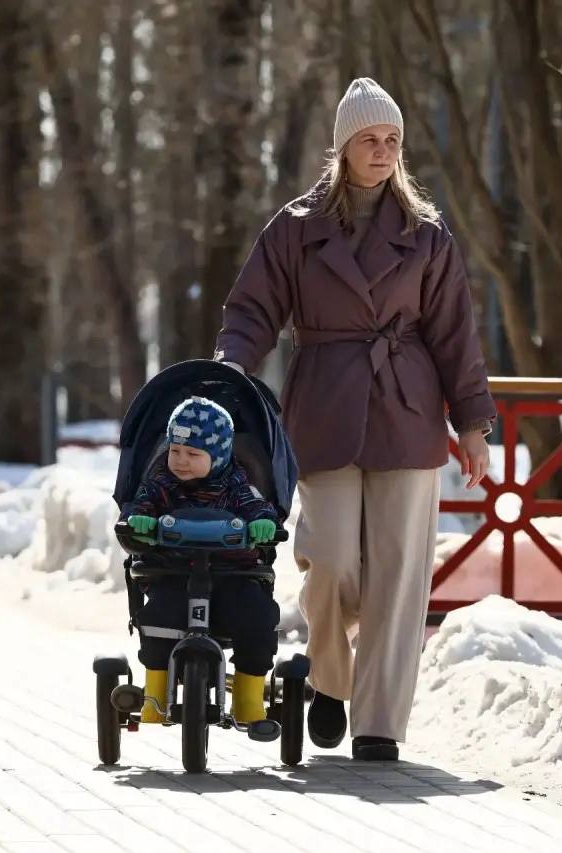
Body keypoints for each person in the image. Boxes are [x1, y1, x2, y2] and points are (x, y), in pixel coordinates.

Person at [215, 78, 495, 761]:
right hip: (326, 402)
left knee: (399, 572)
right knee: (331, 558)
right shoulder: (295, 228)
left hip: (408, 405)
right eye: (369, 139)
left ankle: (379, 725)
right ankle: (330, 680)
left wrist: (472, 422)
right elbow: (253, 308)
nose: (382, 150)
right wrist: (229, 369)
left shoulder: (426, 233)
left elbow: (454, 332)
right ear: (343, 147)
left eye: (392, 139)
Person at [119, 396, 282, 724]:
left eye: (193, 454)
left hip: (231, 576)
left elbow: (258, 507)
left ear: (218, 455)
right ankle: (156, 692)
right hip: (174, 574)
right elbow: (138, 507)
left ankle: (248, 698)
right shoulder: (159, 486)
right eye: (175, 451)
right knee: (157, 618)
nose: (181, 461)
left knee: (258, 618)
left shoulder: (237, 487)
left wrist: (263, 523)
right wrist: (138, 521)